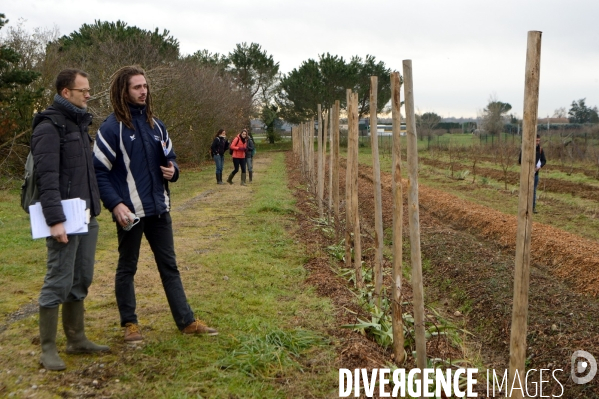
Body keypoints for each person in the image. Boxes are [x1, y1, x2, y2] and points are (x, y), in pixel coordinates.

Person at [92, 65, 217, 342]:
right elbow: (99, 172)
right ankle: (130, 325)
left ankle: (186, 322)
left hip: (159, 210)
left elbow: (170, 158)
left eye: (145, 86)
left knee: (169, 266)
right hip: (130, 214)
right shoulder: (111, 129)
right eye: (137, 87)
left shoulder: (157, 125)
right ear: (123, 91)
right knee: (128, 267)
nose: (143, 91)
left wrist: (174, 170)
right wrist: (115, 205)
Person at [31, 68, 109, 371]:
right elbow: (47, 177)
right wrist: (55, 220)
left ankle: (76, 340)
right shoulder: (49, 126)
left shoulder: (79, 124)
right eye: (83, 90)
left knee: (81, 279)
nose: (88, 94)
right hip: (64, 220)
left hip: (86, 217)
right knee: (58, 281)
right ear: (66, 92)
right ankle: (47, 349)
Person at [519, 134, 546, 213]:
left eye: (538, 140)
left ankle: (532, 208)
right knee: (525, 190)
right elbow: (520, 160)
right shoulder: (526, 149)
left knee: (533, 191)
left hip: (535, 174)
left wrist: (539, 166)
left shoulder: (540, 149)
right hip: (526, 174)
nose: (537, 142)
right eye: (536, 140)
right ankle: (524, 207)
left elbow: (544, 160)